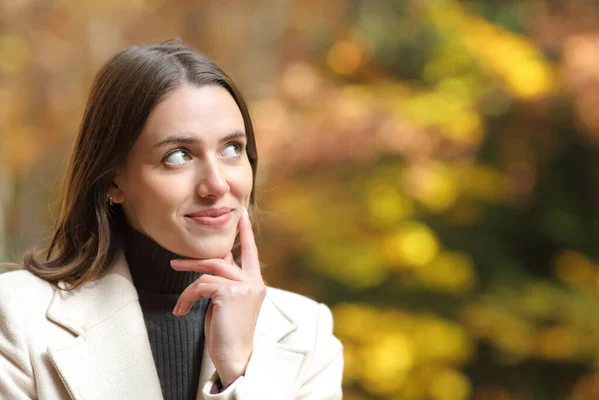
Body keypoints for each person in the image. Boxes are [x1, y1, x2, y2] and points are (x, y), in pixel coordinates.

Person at [0, 41, 343, 400]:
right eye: (178, 155)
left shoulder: (307, 333)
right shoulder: (18, 318)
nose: (216, 184)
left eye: (232, 149)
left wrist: (239, 372)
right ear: (112, 181)